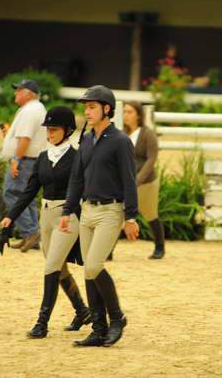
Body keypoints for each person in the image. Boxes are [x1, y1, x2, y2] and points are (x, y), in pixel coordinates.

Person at [0, 106, 91, 338]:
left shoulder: (77, 156)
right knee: (59, 269)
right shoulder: (43, 156)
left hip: (68, 217)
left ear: (67, 130)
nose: (49, 133)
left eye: (54, 129)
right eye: (48, 129)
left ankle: (42, 323)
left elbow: (81, 188)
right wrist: (9, 218)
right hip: (46, 216)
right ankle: (82, 310)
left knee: (51, 267)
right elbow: (29, 191)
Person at [59, 85, 139, 347]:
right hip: (87, 212)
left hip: (110, 211)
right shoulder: (87, 139)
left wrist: (131, 217)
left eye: (92, 106)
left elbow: (130, 181)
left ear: (107, 109)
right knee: (88, 272)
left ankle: (117, 318)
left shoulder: (121, 141)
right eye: (86, 106)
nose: (87, 111)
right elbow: (76, 178)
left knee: (94, 266)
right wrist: (68, 210)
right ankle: (98, 328)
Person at [1, 79, 47, 252]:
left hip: (25, 160)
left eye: (18, 90)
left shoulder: (30, 111)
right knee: (27, 198)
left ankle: (30, 233)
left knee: (12, 194)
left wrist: (16, 159)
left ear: (29, 94)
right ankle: (32, 236)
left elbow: (26, 138)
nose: (15, 93)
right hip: (32, 160)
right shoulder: (37, 109)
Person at [123, 101, 165, 259]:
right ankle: (109, 251)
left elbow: (151, 159)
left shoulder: (148, 133)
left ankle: (159, 248)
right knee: (118, 215)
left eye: (130, 112)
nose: (126, 115)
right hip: (127, 182)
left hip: (147, 182)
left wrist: (137, 180)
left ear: (138, 115)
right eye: (125, 112)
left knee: (150, 214)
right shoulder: (122, 134)